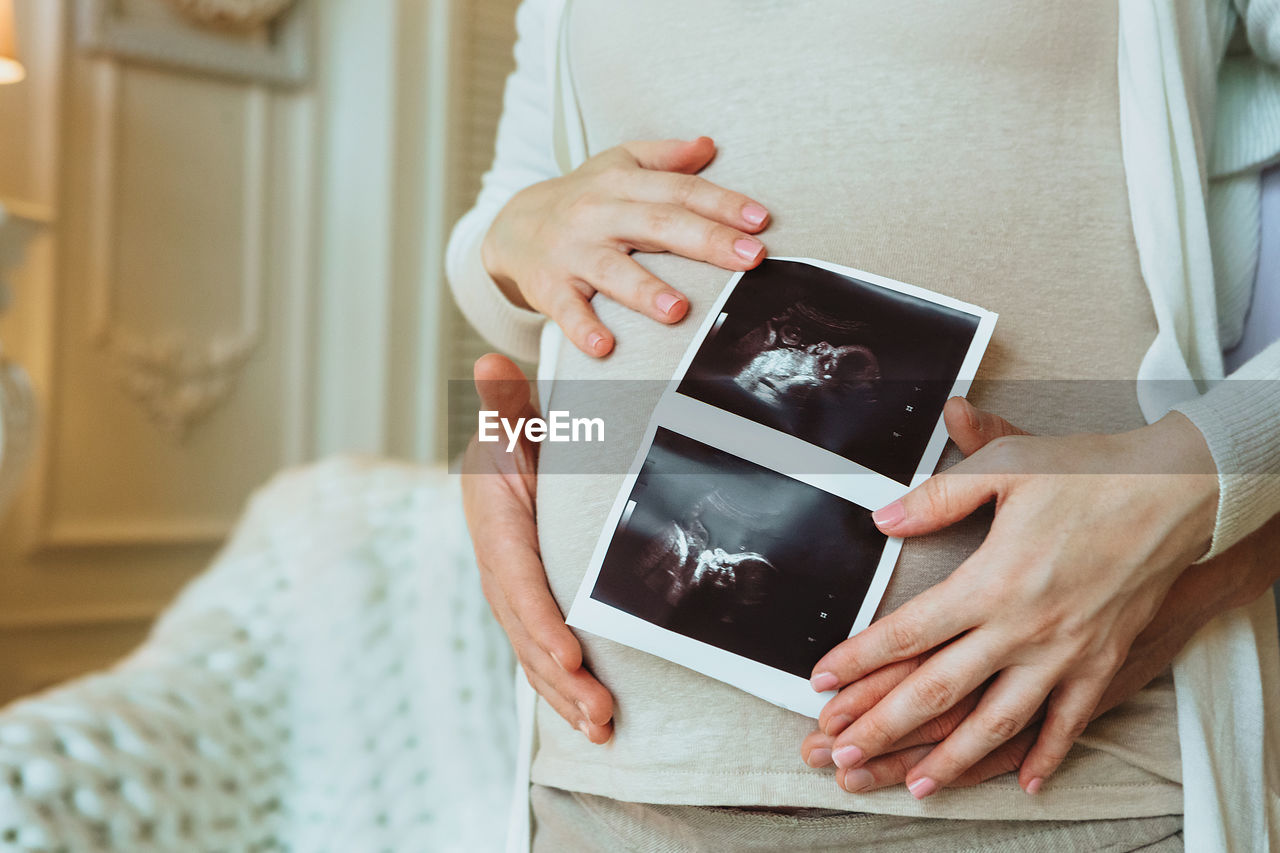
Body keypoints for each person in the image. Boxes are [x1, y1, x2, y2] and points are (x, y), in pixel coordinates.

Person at [449, 2, 1280, 850]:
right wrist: (509, 243)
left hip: (1053, 788)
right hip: (614, 779)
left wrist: (1206, 471)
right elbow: (522, 225)